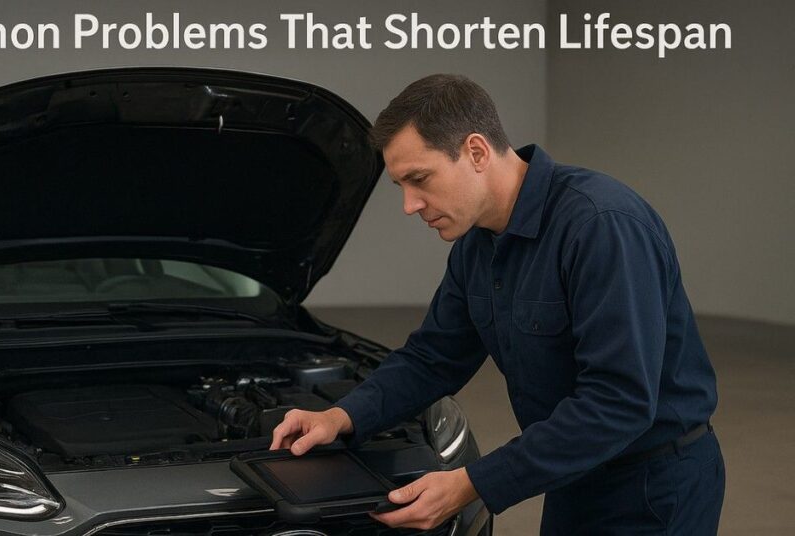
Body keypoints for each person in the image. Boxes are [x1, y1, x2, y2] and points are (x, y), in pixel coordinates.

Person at [269, 74, 724, 534]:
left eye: (419, 179)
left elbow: (618, 401)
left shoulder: (601, 227)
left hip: (654, 489)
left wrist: (473, 483)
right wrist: (342, 416)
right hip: (571, 475)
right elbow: (433, 357)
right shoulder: (476, 246)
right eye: (400, 186)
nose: (409, 205)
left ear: (477, 152)